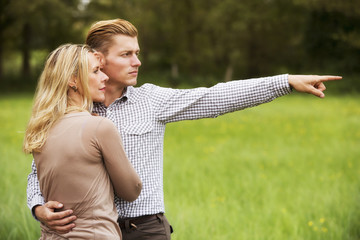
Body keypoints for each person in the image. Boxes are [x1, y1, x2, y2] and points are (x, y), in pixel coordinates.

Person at [27, 19, 341, 240]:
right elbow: (38, 171)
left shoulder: (151, 100)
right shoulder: (72, 114)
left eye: (137, 52)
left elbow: (216, 96)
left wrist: (284, 82)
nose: (137, 61)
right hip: (87, 231)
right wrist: (37, 207)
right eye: (126, 54)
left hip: (145, 230)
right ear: (98, 60)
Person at [23, 44, 142, 239]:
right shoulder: (100, 127)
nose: (105, 77)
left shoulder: (41, 129)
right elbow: (131, 191)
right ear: (72, 80)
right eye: (96, 71)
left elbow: (37, 177)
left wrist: (37, 207)